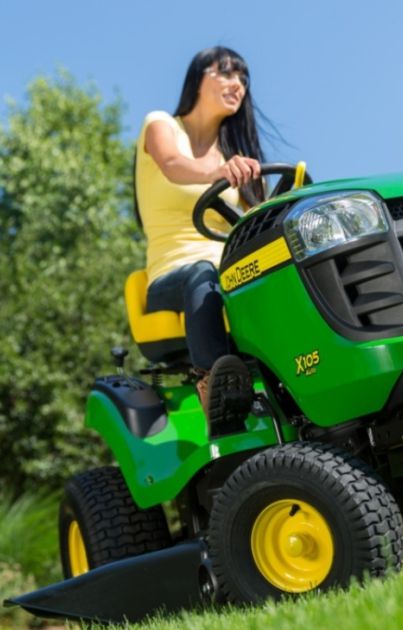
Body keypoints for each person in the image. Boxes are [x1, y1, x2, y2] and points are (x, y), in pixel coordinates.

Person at [134, 46, 265, 435]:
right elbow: (173, 165)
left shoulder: (234, 159)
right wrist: (216, 173)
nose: (237, 84)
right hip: (173, 278)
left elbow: (258, 217)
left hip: (228, 276)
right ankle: (216, 393)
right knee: (202, 274)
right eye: (225, 72)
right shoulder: (161, 125)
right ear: (197, 79)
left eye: (242, 78)